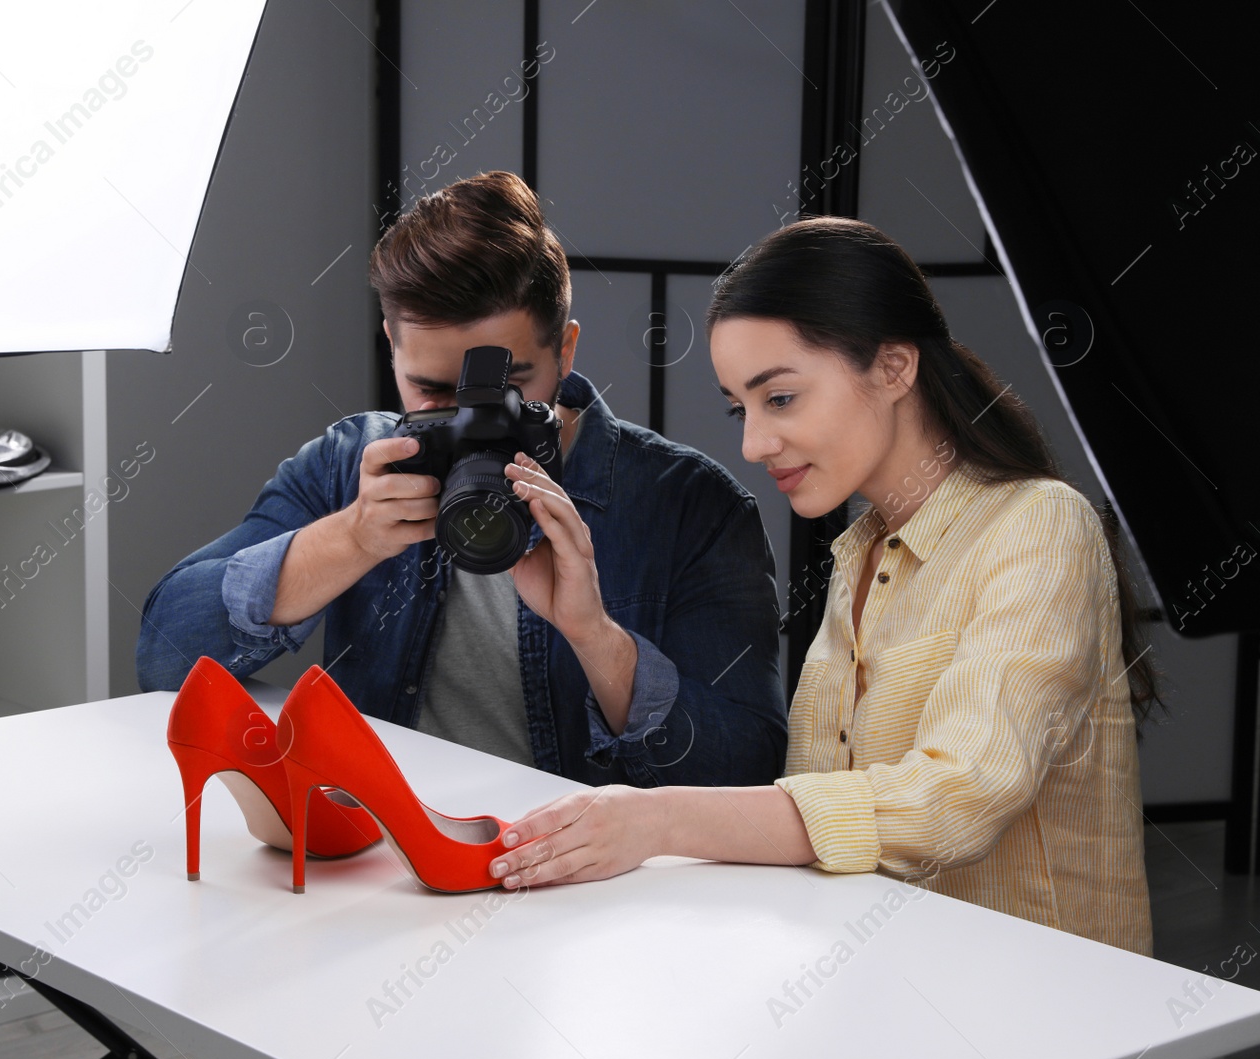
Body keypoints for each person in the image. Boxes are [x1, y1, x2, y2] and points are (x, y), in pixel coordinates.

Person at [488, 217, 1157, 955]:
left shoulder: (1040, 525)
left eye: (780, 398)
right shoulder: (860, 556)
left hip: (1038, 1013)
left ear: (895, 366)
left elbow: (955, 798)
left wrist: (657, 820)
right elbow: (823, 826)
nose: (752, 444)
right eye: (740, 408)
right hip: (882, 989)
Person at [136, 171, 786, 788]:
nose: (472, 416)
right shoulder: (350, 462)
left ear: (565, 350)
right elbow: (165, 656)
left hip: (579, 877)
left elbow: (748, 768)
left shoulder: (690, 504)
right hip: (384, 851)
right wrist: (352, 539)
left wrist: (597, 638)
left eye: (504, 389)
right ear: (392, 345)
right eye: (432, 390)